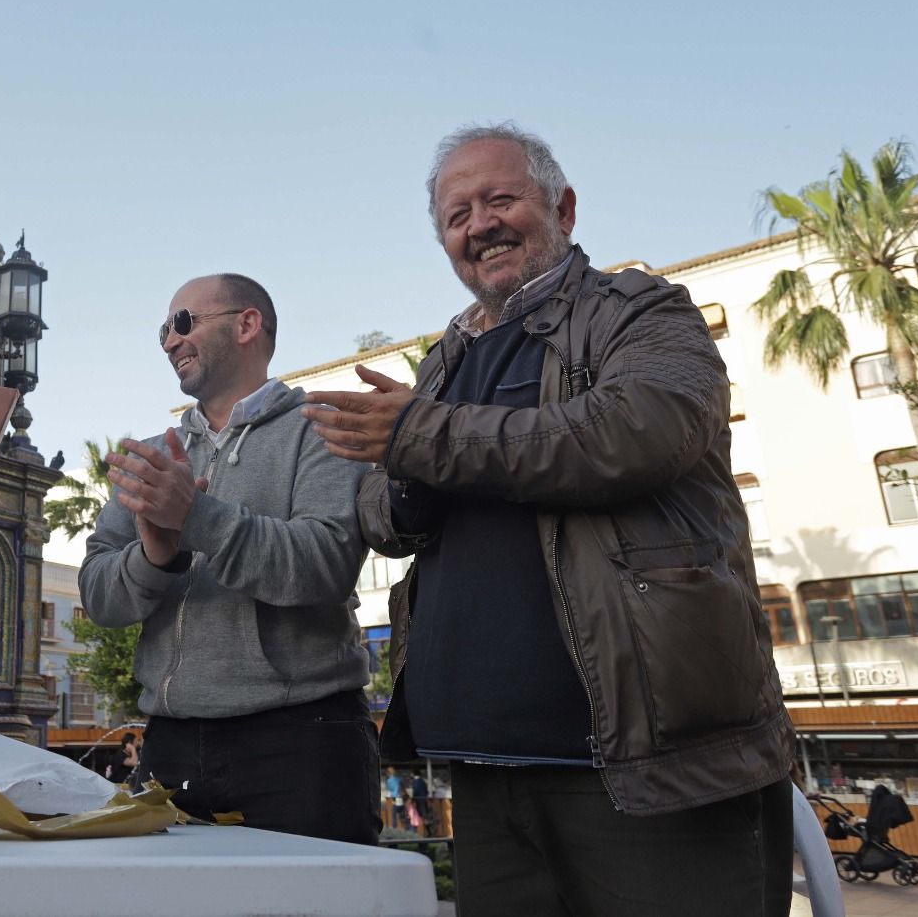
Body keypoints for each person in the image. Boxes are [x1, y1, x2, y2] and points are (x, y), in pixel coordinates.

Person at [302, 124, 794, 914]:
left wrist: (420, 437)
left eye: (500, 199)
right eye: (457, 216)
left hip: (647, 764)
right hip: (484, 766)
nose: (480, 225)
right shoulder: (445, 361)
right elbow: (382, 514)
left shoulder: (642, 311)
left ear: (562, 206)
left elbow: (638, 430)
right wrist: (404, 473)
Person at [79, 273, 379, 845]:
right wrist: (155, 556)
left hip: (303, 741)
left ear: (248, 324)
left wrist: (196, 519)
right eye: (163, 330)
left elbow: (325, 563)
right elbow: (97, 596)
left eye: (184, 322)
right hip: (168, 745)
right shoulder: (154, 456)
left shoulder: (323, 429)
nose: (170, 341)